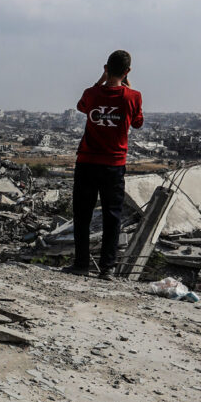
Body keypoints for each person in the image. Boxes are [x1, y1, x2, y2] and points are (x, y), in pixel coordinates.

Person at [64, 49, 144, 278]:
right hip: (114, 165)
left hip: (87, 162)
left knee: (82, 215)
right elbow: (138, 123)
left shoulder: (91, 93)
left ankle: (81, 264)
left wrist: (101, 80)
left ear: (106, 68)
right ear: (128, 71)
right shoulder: (133, 96)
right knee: (112, 216)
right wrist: (127, 85)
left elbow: (82, 106)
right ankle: (107, 268)